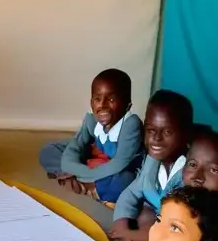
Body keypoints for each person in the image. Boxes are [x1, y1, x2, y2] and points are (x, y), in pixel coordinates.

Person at [40, 69, 143, 205]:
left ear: (127, 105)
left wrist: (79, 172)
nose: (102, 105)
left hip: (120, 167)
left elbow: (118, 164)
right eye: (97, 99)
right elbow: (75, 146)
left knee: (125, 182)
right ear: (91, 102)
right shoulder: (91, 117)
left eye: (111, 99)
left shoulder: (131, 124)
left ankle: (84, 184)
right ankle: (91, 187)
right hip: (96, 161)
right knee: (48, 151)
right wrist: (76, 166)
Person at [109, 90, 193, 241]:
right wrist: (121, 221)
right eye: (150, 130)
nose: (156, 138)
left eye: (167, 132)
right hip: (155, 213)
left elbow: (178, 223)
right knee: (144, 213)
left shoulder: (191, 173)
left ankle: (145, 239)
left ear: (186, 134)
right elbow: (132, 192)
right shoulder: (152, 159)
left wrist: (130, 234)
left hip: (178, 223)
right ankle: (143, 237)